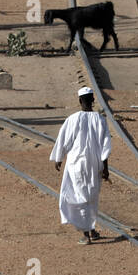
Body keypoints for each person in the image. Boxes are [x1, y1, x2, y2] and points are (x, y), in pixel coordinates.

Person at [50, 86, 112, 245]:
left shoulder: (72, 119)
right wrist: (105, 168)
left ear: (79, 101)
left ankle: (86, 234)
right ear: (93, 100)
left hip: (75, 164)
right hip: (94, 164)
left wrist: (59, 158)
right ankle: (91, 229)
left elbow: (64, 140)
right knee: (91, 196)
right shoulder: (100, 119)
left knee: (79, 196)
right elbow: (105, 145)